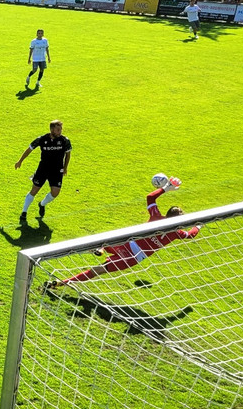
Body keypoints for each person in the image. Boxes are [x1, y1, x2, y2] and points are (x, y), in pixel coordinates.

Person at [50, 177, 199, 288]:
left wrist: (166, 188)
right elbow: (190, 234)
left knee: (102, 242)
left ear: (168, 214)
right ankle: (61, 283)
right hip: (134, 256)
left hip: (127, 242)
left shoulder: (156, 217)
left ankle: (101, 249)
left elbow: (150, 197)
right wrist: (199, 225)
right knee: (96, 271)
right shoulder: (177, 233)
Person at [15, 120, 71, 224]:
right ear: (52, 130)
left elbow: (68, 154)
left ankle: (42, 204)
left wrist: (65, 167)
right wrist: (20, 161)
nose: (60, 132)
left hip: (57, 170)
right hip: (43, 169)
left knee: (55, 193)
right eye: (58, 130)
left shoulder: (65, 141)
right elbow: (29, 149)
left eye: (61, 129)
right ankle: (24, 212)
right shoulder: (41, 139)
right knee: (34, 190)